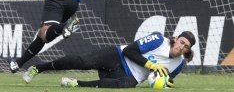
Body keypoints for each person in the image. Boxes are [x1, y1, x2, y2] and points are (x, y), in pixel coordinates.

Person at [22, 31, 196, 88]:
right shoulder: (158, 39)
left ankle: (75, 84)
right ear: (175, 39)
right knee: (83, 62)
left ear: (187, 51)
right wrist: (152, 65)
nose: (182, 47)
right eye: (181, 42)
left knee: (126, 85)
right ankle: (39, 68)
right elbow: (129, 50)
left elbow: (169, 78)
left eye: (186, 46)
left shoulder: (179, 64)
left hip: (130, 76)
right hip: (118, 56)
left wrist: (165, 82)